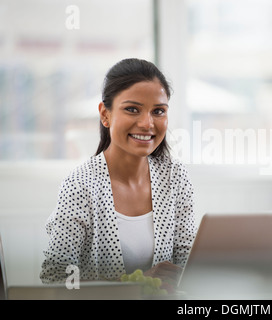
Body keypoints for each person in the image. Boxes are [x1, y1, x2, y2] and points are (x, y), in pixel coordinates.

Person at [40, 58, 197, 285]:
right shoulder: (80, 184)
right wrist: (135, 285)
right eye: (132, 109)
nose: (147, 123)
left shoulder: (175, 177)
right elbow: (55, 277)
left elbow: (188, 260)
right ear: (105, 114)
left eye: (158, 111)